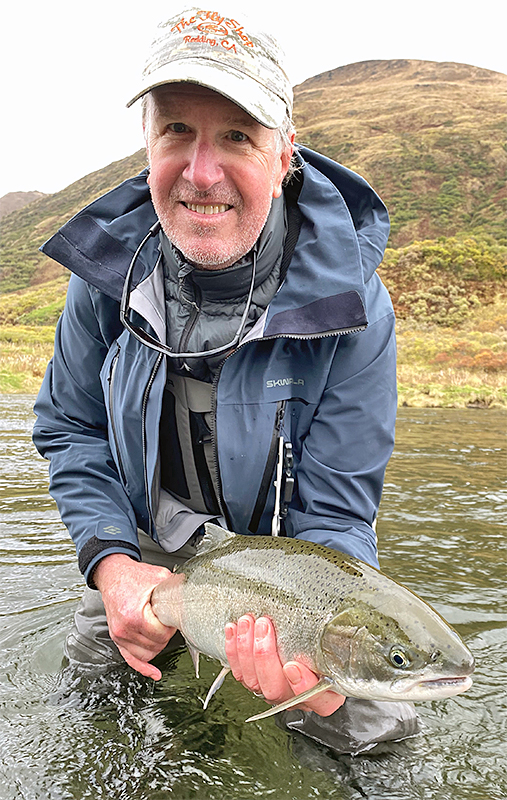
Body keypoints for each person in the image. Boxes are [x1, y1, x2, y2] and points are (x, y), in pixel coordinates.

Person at [33, 7, 419, 754]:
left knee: (376, 734)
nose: (201, 171)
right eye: (177, 130)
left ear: (283, 158)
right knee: (89, 710)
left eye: (236, 136)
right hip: (147, 550)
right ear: (148, 146)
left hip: (290, 570)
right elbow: (70, 428)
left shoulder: (355, 309)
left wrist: (313, 651)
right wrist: (111, 563)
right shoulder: (103, 277)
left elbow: (337, 515)